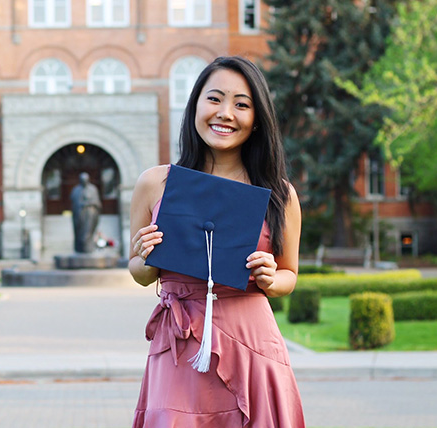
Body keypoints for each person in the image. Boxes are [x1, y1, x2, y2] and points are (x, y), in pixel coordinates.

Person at [129, 56, 305, 427]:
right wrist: (145, 260)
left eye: (242, 104)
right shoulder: (155, 183)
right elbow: (140, 272)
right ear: (194, 105)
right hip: (179, 344)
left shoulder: (278, 195)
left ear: (257, 120)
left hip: (251, 341)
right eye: (214, 99)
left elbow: (290, 273)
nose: (225, 113)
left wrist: (273, 279)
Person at [70, 172, 102, 253]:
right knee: (80, 234)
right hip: (79, 215)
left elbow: (97, 202)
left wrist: (87, 204)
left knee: (88, 233)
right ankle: (80, 249)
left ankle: (88, 248)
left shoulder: (93, 189)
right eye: (82, 180)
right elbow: (74, 202)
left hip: (89, 215)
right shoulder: (76, 190)